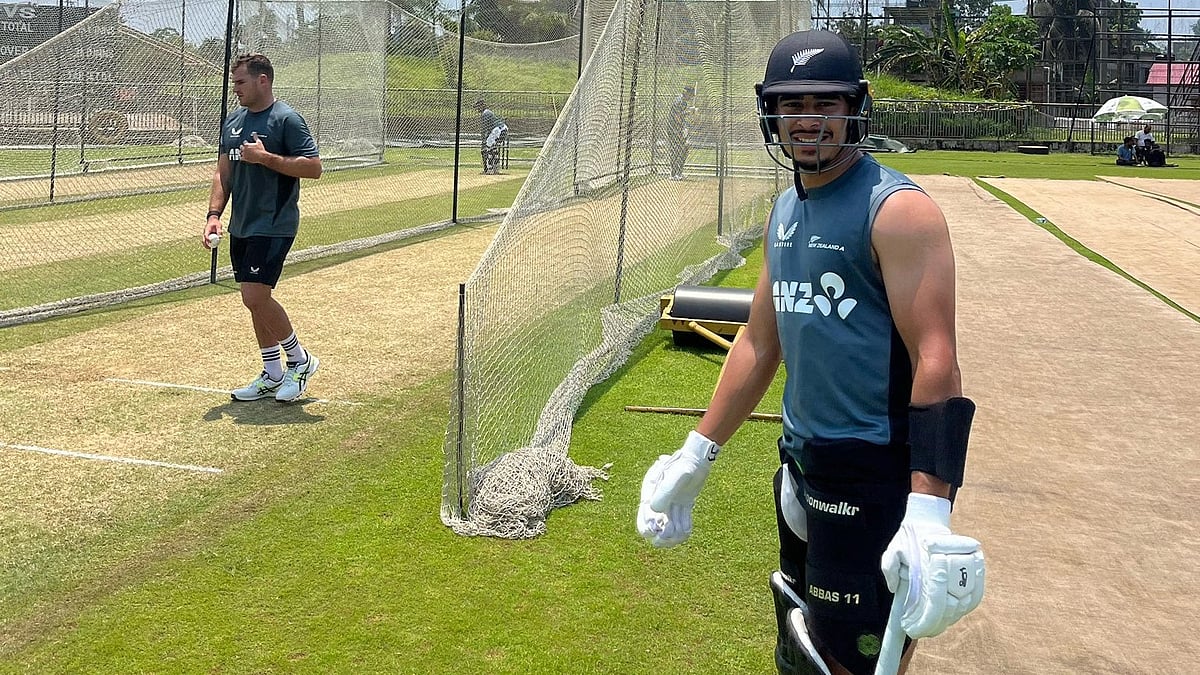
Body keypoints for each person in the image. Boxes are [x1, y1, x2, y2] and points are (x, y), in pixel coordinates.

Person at [636, 30, 985, 675]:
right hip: (802, 463)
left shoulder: (898, 212)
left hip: (875, 472)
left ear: (858, 106)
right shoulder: (785, 209)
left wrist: (930, 508)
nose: (808, 121)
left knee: (851, 658)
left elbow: (938, 360)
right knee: (799, 638)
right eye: (791, 104)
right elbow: (760, 341)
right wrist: (696, 453)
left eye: (826, 103)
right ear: (770, 112)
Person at [203, 53, 323, 403]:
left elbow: (313, 168)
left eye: (240, 81)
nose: (235, 88)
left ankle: (300, 360)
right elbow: (222, 172)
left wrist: (266, 158)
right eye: (234, 81)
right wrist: (214, 214)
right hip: (242, 225)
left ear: (263, 80)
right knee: (253, 301)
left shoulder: (286, 119)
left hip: (274, 223)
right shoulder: (233, 122)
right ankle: (272, 372)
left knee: (255, 295)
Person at [666, 85, 696, 179]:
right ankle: (674, 174)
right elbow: (677, 117)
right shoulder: (680, 102)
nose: (691, 98)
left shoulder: (683, 102)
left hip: (679, 129)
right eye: (690, 95)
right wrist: (689, 112)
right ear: (687, 93)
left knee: (684, 149)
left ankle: (678, 173)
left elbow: (681, 117)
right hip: (674, 130)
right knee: (676, 151)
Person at [475, 99, 508, 175]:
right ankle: (496, 168)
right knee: (493, 149)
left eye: (478, 107)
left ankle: (489, 169)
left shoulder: (485, 113)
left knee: (488, 148)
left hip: (498, 130)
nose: (477, 109)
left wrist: (483, 140)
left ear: (482, 106)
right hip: (503, 129)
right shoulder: (488, 112)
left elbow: (484, 128)